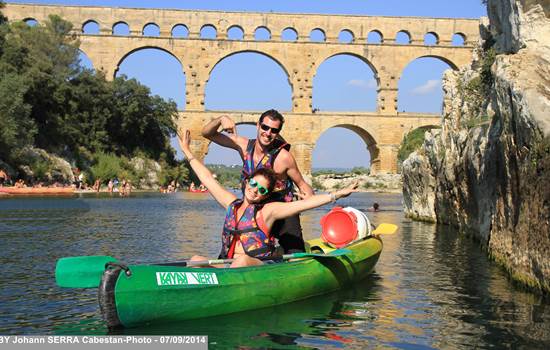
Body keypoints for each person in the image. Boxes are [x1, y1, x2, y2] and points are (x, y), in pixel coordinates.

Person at [180, 129, 357, 268]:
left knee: (241, 261)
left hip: (258, 267)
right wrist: (187, 152)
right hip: (227, 265)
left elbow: (305, 204)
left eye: (262, 189)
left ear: (266, 195)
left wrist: (336, 194)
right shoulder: (231, 204)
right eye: (254, 184)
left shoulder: (268, 211)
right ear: (247, 182)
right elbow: (208, 179)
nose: (255, 190)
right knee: (196, 259)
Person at [202, 109, 314, 254]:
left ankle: (292, 258)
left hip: (282, 213)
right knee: (237, 245)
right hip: (255, 210)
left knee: (296, 253)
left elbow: (303, 185)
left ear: (278, 132)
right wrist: (220, 119)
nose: (268, 133)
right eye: (265, 127)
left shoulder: (283, 158)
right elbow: (207, 134)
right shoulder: (244, 146)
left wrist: (309, 197)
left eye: (274, 130)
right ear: (258, 125)